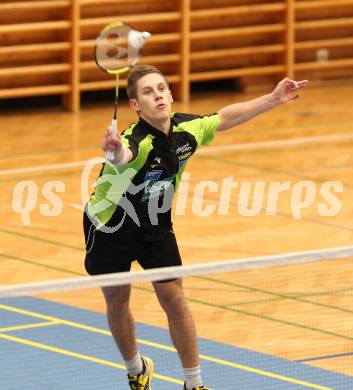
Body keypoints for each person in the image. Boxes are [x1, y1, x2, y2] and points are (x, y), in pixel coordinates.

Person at [83, 64, 308, 390]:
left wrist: (273, 98)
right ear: (135, 106)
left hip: (154, 225)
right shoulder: (137, 140)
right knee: (118, 303)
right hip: (109, 228)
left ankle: (194, 382)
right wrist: (115, 151)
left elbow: (226, 117)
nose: (157, 95)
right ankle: (136, 369)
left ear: (171, 95)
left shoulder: (188, 129)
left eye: (161, 88)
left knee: (174, 298)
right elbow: (125, 155)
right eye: (148, 92)